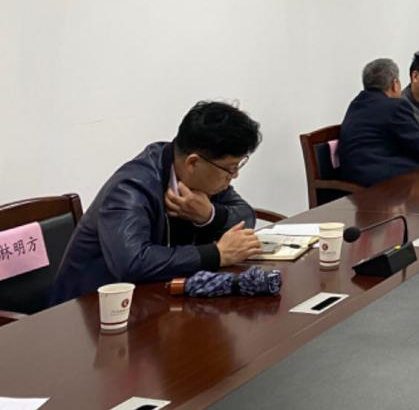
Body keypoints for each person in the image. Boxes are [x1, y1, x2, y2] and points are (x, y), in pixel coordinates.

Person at [50, 101, 262, 305]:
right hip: (89, 311)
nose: (234, 176)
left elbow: (246, 215)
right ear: (193, 162)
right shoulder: (130, 187)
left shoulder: (198, 177)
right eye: (230, 169)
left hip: (155, 299)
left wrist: (209, 215)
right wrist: (217, 254)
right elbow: (133, 263)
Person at [338, 57, 419, 187]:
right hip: (377, 175)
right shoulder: (394, 106)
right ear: (395, 84)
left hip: (351, 173)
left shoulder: (356, 103)